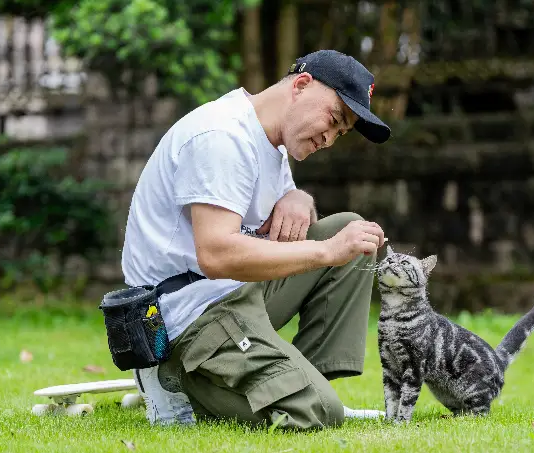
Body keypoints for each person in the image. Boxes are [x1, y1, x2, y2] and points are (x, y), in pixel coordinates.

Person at [120, 49, 391, 431]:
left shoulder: (271, 141)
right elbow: (216, 253)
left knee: (352, 230)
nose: (329, 139)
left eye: (340, 133)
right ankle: (172, 380)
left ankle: (302, 380)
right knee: (315, 414)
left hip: (236, 294)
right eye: (333, 119)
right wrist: (326, 251)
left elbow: (274, 229)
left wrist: (299, 197)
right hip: (189, 314)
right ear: (300, 85)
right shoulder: (222, 136)